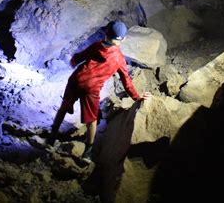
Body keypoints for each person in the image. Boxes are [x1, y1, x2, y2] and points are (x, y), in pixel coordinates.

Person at [47, 20, 151, 162]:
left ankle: (51, 139)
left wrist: (73, 61)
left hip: (76, 80)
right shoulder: (119, 58)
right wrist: (137, 97)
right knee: (92, 120)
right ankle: (87, 153)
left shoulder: (96, 46)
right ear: (124, 39)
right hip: (91, 89)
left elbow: (78, 58)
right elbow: (126, 81)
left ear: (106, 34)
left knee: (63, 108)